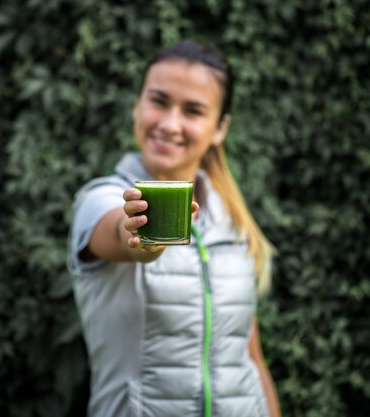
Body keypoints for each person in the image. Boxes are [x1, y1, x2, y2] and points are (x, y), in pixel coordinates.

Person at [68, 39, 281, 417]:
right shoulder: (100, 200)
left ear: (220, 128)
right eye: (159, 101)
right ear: (137, 104)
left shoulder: (234, 220)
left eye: (193, 110)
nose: (169, 124)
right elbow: (125, 236)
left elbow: (252, 359)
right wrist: (143, 237)